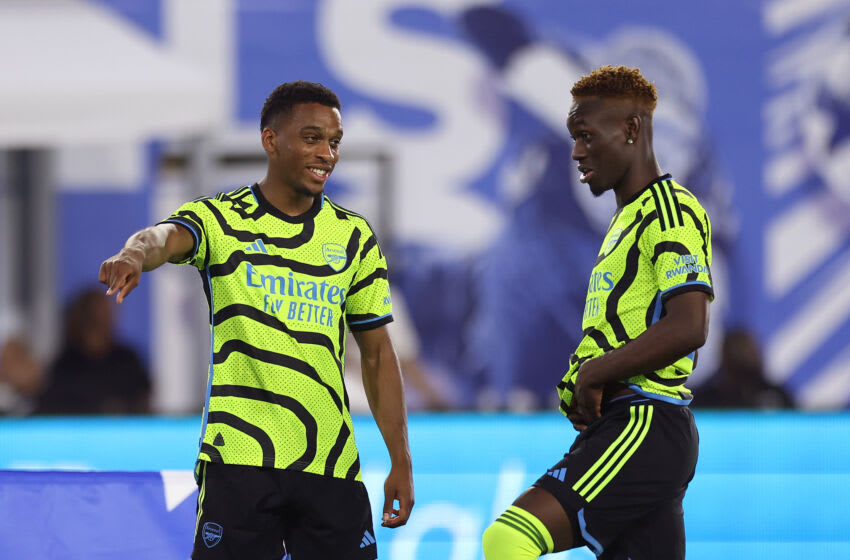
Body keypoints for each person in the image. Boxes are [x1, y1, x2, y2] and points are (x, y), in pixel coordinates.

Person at [99, 81, 413, 559]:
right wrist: (133, 253)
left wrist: (401, 460)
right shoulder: (221, 219)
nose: (327, 153)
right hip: (239, 458)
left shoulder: (353, 236)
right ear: (271, 141)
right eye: (312, 138)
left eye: (334, 142)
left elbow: (376, 356)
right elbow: (163, 237)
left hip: (330, 463)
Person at [482, 65, 713, 559]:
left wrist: (594, 373)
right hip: (633, 426)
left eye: (586, 136)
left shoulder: (669, 210)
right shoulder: (623, 220)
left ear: (631, 129)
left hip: (645, 420)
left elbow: (690, 324)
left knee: (507, 540)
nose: (575, 152)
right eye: (572, 137)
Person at [36, 288, 150, 414]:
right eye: (99, 314)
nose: (108, 318)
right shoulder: (65, 364)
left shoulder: (127, 359)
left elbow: (142, 397)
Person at [694, 328, 793, 409]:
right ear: (725, 355)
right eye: (738, 350)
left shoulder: (777, 396)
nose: (745, 356)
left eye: (750, 350)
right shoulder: (705, 400)